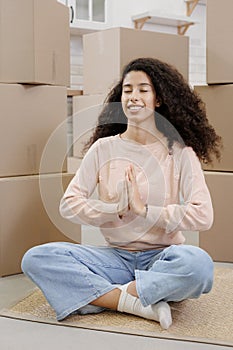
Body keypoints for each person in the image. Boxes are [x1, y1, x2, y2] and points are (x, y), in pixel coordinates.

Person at [22, 57, 222, 330]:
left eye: (143, 89)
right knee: (36, 258)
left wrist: (144, 211)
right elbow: (68, 205)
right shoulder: (103, 149)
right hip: (114, 258)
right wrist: (112, 208)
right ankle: (139, 298)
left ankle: (106, 296)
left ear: (159, 99)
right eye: (127, 90)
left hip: (163, 257)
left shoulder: (180, 153)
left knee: (198, 265)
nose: (133, 97)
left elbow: (204, 216)